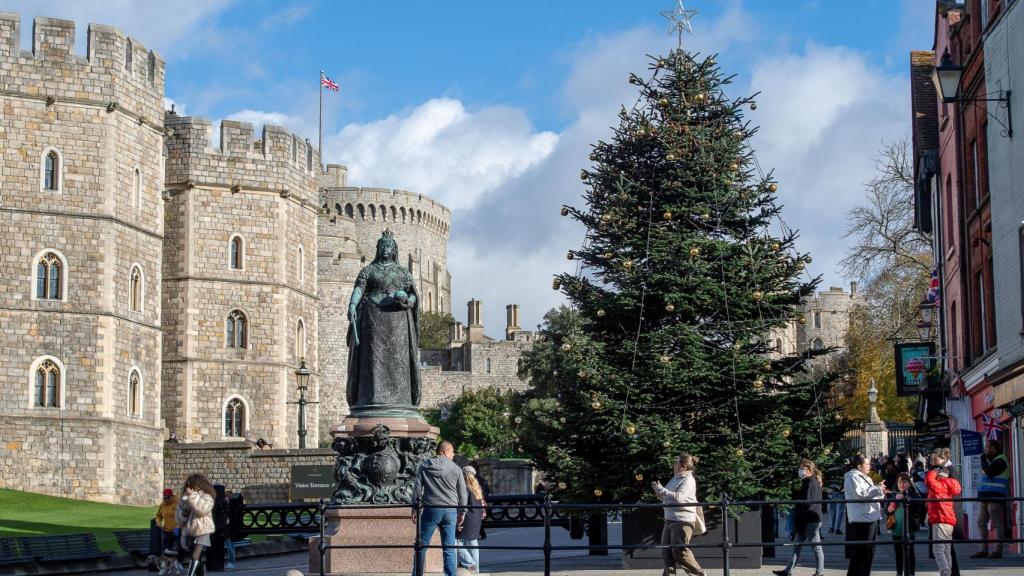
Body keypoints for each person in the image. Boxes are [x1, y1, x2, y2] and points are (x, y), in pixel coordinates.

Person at [412, 440, 467, 576]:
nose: (453, 455)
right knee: (449, 547)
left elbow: (417, 489)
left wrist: (414, 509)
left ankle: (416, 574)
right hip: (450, 510)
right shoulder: (456, 468)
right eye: (452, 452)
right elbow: (462, 493)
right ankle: (450, 574)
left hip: (431, 509)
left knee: (422, 545)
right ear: (445, 451)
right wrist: (463, 512)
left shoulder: (425, 466)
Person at [651, 453, 705, 576]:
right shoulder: (676, 477)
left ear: (683, 466)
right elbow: (668, 496)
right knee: (666, 552)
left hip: (683, 520)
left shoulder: (688, 480)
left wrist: (662, 490)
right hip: (670, 518)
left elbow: (679, 498)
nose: (673, 465)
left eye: (676, 463)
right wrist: (659, 492)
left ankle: (700, 574)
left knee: (680, 552)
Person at [774, 459, 824, 576]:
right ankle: (788, 570)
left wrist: (800, 515)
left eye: (802, 469)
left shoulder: (811, 483)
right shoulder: (808, 481)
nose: (800, 471)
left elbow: (809, 503)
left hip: (810, 519)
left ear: (809, 470)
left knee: (816, 546)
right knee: (798, 545)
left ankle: (820, 572)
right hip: (806, 519)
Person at [844, 454, 885, 576]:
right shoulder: (854, 477)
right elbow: (862, 493)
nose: (870, 466)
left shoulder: (863, 477)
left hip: (867, 516)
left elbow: (870, 494)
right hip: (862, 518)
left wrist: (880, 491)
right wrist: (878, 488)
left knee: (867, 551)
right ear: (859, 466)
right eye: (867, 464)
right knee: (863, 551)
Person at [925, 449, 961, 576]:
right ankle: (950, 572)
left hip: (940, 515)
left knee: (939, 550)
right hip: (948, 515)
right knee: (946, 549)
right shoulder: (949, 479)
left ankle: (946, 572)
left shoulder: (941, 479)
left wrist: (934, 471)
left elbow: (929, 481)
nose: (934, 463)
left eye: (936, 460)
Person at [973, 439, 1009, 559]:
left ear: (995, 448)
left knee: (997, 523)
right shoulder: (991, 460)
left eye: (989, 447)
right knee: (981, 522)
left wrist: (983, 458)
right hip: (985, 495)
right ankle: (983, 549)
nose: (987, 449)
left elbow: (989, 472)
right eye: (986, 447)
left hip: (996, 496)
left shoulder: (1001, 460)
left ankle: (998, 551)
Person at [176, 474, 216, 576]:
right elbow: (181, 516)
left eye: (192, 485)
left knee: (195, 555)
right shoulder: (186, 498)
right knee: (196, 558)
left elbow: (202, 510)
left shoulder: (207, 497)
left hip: (203, 529)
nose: (189, 487)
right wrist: (183, 512)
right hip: (190, 530)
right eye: (188, 485)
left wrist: (193, 497)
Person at [886, 472, 924, 576]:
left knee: (910, 552)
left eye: (904, 482)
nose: (902, 484)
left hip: (909, 528)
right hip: (896, 528)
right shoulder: (893, 494)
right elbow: (887, 510)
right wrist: (889, 509)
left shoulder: (914, 494)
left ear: (910, 483)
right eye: (899, 482)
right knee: (898, 552)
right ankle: (899, 573)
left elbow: (920, 506)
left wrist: (906, 499)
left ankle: (911, 573)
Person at [456, 465, 486, 574]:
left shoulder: (464, 487)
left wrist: (458, 517)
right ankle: (476, 570)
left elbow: (462, 504)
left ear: (463, 475)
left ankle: (469, 563)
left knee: (455, 542)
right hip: (476, 519)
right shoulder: (477, 488)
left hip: (467, 518)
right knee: (473, 543)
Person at [154, 488, 183, 572]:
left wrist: (179, 525)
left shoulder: (178, 502)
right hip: (167, 530)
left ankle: (179, 563)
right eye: (164, 497)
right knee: (166, 550)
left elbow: (184, 515)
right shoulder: (163, 504)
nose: (165, 499)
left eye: (167, 497)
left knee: (180, 548)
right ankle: (166, 567)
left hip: (177, 530)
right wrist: (158, 521)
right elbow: (158, 515)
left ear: (171, 496)